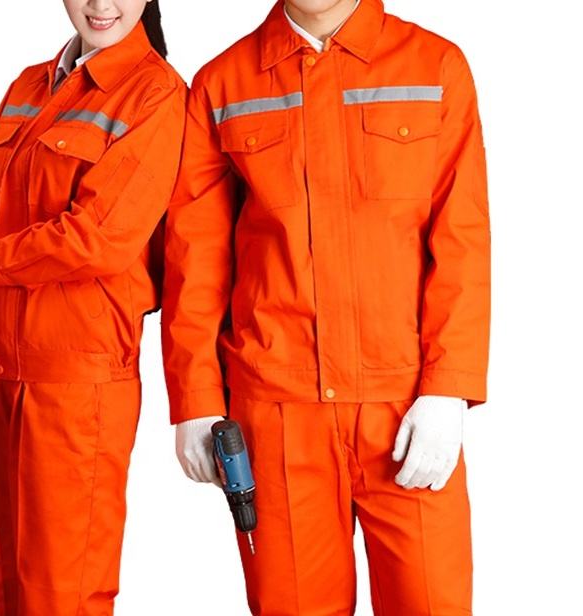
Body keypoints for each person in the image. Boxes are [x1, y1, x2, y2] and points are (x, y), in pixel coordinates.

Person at [162, 0, 490, 614]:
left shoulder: (435, 65)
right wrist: (196, 399)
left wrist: (449, 389)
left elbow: (461, 239)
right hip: (276, 412)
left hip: (405, 408)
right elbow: (195, 261)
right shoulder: (222, 83)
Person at [0, 1, 186, 613]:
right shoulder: (30, 85)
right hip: (2, 374)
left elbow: (98, 238)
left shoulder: (155, 95)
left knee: (63, 594)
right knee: (15, 590)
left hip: (79, 385)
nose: (101, 5)